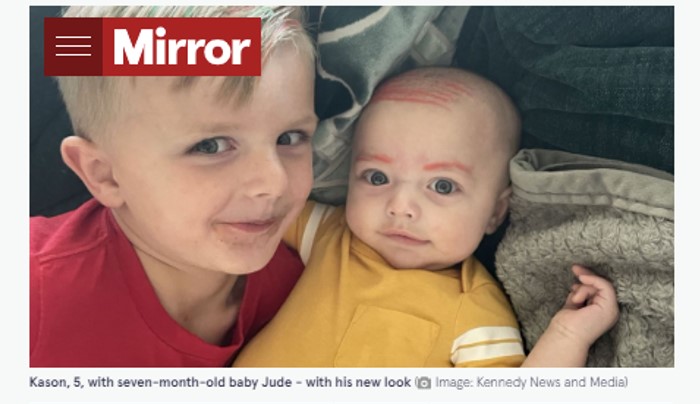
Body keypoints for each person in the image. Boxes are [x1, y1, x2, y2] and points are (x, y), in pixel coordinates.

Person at [234, 67, 619, 367]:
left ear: (496, 212)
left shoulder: (473, 308)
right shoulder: (331, 236)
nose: (400, 206)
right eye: (378, 177)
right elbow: (255, 203)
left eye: (443, 186)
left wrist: (568, 337)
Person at [30, 5, 318, 367]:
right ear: (104, 174)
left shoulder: (310, 281)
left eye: (290, 137)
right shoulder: (27, 294)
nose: (274, 183)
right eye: (210, 145)